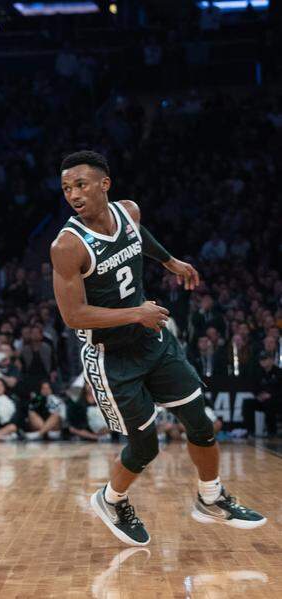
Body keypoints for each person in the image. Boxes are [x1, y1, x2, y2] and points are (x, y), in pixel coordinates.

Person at [50, 151, 264, 546]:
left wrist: (170, 261)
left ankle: (211, 497)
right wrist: (136, 313)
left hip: (152, 340)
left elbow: (137, 238)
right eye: (66, 188)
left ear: (104, 184)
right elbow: (74, 316)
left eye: (80, 185)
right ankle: (111, 500)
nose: (73, 194)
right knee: (145, 445)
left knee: (200, 420)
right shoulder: (67, 246)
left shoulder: (129, 212)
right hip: (112, 356)